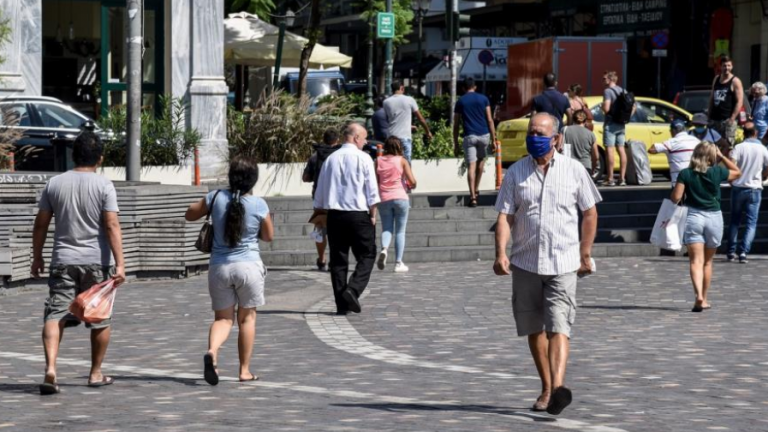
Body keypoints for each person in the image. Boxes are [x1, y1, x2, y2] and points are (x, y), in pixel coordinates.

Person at [493, 113, 602, 416]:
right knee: (534, 328)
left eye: (540, 133)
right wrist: (500, 252)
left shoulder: (574, 170)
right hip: (526, 262)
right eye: (531, 132)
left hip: (563, 261)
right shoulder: (516, 172)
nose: (534, 137)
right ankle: (547, 386)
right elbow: (505, 215)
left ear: (556, 138)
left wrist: (585, 252)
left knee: (559, 326)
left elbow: (590, 212)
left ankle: (558, 388)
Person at [31, 131, 126, 395]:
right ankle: (95, 373)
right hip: (97, 261)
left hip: (63, 260)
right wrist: (120, 263)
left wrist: (37, 256)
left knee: (55, 314)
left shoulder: (54, 184)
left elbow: (41, 224)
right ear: (100, 158)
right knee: (100, 318)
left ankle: (51, 369)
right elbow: (111, 225)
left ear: (73, 156)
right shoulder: (104, 185)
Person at [185, 156, 274, 385]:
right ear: (253, 179)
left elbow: (189, 214)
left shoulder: (215, 197)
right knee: (247, 319)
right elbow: (268, 236)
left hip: (220, 267)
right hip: (249, 267)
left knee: (223, 319)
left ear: (231, 176)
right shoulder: (259, 204)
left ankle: (212, 352)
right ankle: (244, 371)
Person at [314, 123, 380, 315]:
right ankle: (353, 289)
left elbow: (320, 193)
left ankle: (341, 305)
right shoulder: (364, 158)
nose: (366, 142)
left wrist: (319, 216)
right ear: (356, 137)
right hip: (358, 214)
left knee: (338, 260)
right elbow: (372, 191)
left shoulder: (331, 159)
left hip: (335, 215)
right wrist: (373, 214)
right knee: (368, 254)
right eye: (364, 138)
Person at [671, 142, 741, 312]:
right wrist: (722, 156)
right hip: (714, 218)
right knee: (708, 262)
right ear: (712, 155)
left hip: (693, 217)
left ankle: (698, 297)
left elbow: (676, 197)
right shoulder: (717, 172)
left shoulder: (686, 173)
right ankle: (705, 297)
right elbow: (737, 172)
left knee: (696, 261)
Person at [726, 122, 768, 263]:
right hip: (755, 188)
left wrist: (731, 180)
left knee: (734, 221)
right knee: (751, 223)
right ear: (755, 133)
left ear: (744, 133)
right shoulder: (762, 149)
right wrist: (764, 176)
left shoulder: (738, 147)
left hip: (738, 187)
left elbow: (731, 165)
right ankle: (743, 252)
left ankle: (731, 252)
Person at [453, 77, 497, 207]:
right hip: (484, 136)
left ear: (463, 88)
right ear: (475, 87)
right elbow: (490, 119)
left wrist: (456, 144)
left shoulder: (460, 101)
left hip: (470, 136)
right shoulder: (484, 99)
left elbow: (456, 124)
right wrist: (494, 139)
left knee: (471, 167)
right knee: (481, 162)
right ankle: (477, 188)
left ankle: (472, 197)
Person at [376, 136, 417, 273]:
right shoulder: (402, 161)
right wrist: (412, 185)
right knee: (400, 231)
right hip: (400, 197)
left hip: (383, 198)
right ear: (399, 147)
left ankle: (384, 249)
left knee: (386, 228)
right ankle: (398, 263)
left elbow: (376, 181)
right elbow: (412, 181)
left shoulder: (378, 161)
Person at [303, 128, 341, 271]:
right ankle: (334, 260)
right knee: (336, 230)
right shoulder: (340, 156)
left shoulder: (315, 156)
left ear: (324, 139)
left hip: (320, 198)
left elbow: (305, 177)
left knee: (320, 229)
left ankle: (322, 259)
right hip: (337, 197)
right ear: (337, 140)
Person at [384, 81, 432, 163]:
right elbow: (421, 119)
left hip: (391, 137)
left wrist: (408, 126)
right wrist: (428, 132)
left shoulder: (386, 102)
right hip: (404, 137)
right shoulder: (409, 100)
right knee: (406, 164)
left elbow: (392, 119)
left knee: (392, 163)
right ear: (402, 88)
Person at [648, 118, 700, 186]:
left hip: (678, 183)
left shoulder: (670, 143)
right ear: (684, 129)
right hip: (695, 182)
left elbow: (651, 150)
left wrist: (658, 145)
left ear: (672, 131)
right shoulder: (696, 141)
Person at [601, 70, 631, 186]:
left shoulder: (607, 91)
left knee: (610, 150)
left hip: (610, 124)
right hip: (621, 124)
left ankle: (610, 179)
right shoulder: (623, 90)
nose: (603, 80)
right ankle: (622, 178)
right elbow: (633, 106)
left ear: (610, 79)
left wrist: (602, 106)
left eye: (604, 78)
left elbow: (607, 109)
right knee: (621, 149)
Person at [708, 55, 743, 147]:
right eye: (724, 65)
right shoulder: (716, 79)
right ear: (720, 66)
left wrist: (732, 118)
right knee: (712, 145)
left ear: (732, 66)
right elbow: (712, 98)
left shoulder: (735, 81)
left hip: (727, 120)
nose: (726, 68)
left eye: (728, 65)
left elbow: (740, 101)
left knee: (727, 146)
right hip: (714, 119)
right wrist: (709, 115)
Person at [562, 109, 598, 176]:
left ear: (573, 119)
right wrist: (593, 168)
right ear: (585, 121)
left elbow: (558, 148)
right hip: (585, 167)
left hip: (569, 166)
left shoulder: (565, 130)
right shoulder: (590, 134)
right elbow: (595, 156)